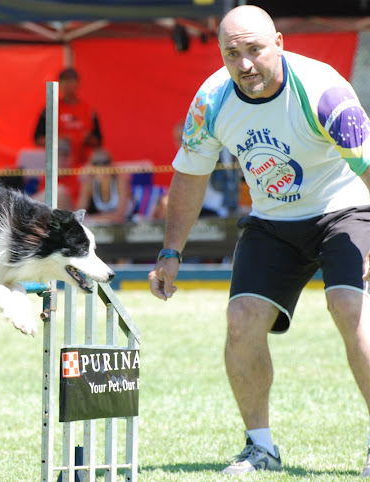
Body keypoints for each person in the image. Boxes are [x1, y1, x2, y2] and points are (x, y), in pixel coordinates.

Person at [148, 5, 370, 476]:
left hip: (343, 206)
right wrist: (171, 252)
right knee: (240, 319)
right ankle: (260, 448)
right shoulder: (211, 100)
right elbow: (189, 176)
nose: (245, 64)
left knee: (350, 309)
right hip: (273, 219)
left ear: (280, 44)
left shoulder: (325, 91)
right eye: (233, 53)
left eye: (254, 50)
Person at [33, 67, 102, 203]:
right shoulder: (50, 109)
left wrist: (87, 138)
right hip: (57, 167)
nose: (68, 85)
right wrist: (59, 140)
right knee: (54, 197)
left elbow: (98, 141)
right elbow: (37, 139)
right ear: (60, 84)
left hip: (82, 168)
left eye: (72, 81)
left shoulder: (88, 110)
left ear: (78, 83)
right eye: (65, 81)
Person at [76, 148, 131, 224]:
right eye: (96, 163)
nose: (101, 166)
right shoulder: (89, 184)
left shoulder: (120, 181)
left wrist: (91, 218)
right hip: (103, 226)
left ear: (111, 164)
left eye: (105, 162)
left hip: (127, 225)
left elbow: (120, 216)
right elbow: (79, 214)